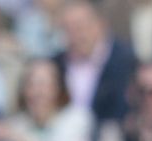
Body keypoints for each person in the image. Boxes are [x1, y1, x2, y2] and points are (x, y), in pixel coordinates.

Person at [53, 0, 136, 128]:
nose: (75, 36)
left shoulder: (126, 62)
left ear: (100, 24)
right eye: (68, 30)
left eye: (80, 28)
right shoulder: (55, 65)